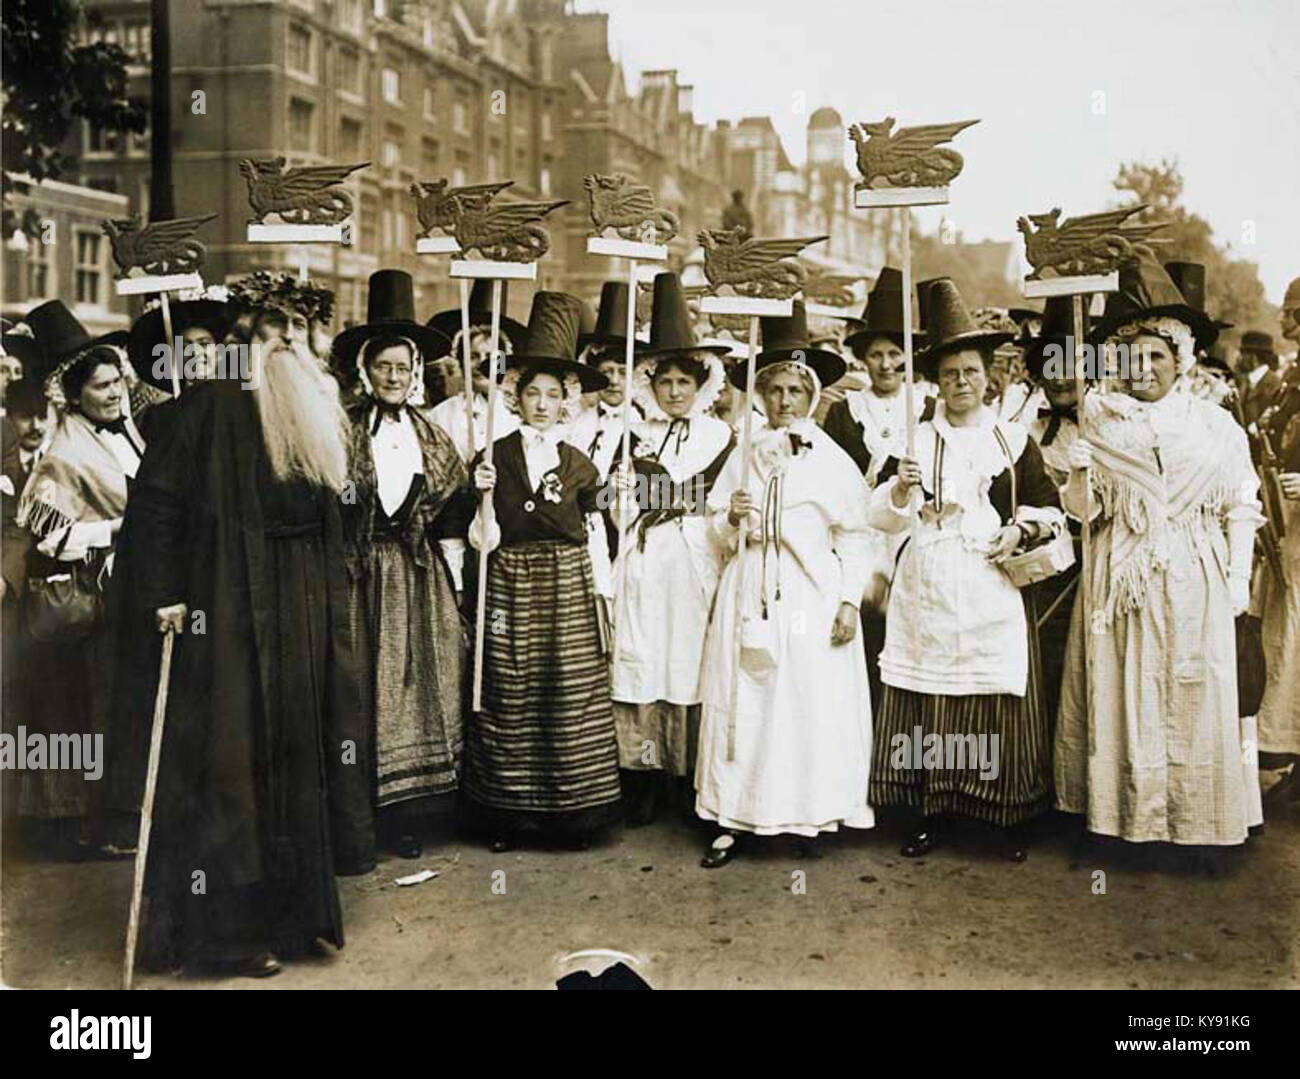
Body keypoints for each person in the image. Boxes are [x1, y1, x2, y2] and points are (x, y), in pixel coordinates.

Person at [127, 331, 363, 978]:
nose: (288, 344)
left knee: (296, 759)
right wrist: (166, 593)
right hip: (228, 609)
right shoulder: (205, 410)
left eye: (295, 333)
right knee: (231, 765)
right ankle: (225, 935)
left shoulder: (310, 404)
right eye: (273, 331)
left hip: (299, 608)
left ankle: (294, 920)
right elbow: (155, 506)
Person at [1055, 255, 1263, 859]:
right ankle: (1129, 822)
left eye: (1156, 357)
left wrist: (1237, 581)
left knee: (1195, 694)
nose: (1143, 369)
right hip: (1121, 576)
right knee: (1127, 692)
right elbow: (1085, 513)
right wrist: (1078, 475)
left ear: (1181, 361)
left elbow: (1241, 505)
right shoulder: (1100, 422)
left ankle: (1196, 825)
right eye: (1132, 357)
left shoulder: (1215, 427)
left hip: (1194, 573)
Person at [868, 280, 1065, 863]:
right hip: (929, 581)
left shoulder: (1012, 440)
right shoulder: (916, 441)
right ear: (936, 380)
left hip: (990, 581)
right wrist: (900, 489)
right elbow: (880, 517)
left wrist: (1020, 530)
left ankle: (1000, 815)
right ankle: (932, 811)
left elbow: (1049, 507)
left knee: (990, 692)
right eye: (950, 373)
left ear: (988, 376)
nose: (960, 383)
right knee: (932, 696)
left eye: (971, 372)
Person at [694, 302, 875, 867]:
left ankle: (803, 813)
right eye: (774, 390)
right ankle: (734, 816)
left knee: (800, 701)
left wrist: (848, 602)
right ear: (761, 395)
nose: (784, 401)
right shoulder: (742, 453)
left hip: (807, 594)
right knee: (744, 699)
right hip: (748, 586)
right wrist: (730, 518)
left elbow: (856, 536)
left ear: (813, 396)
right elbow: (714, 531)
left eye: (796, 390)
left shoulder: (833, 461)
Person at [463, 291, 621, 852]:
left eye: (553, 394)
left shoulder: (581, 464)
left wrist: (603, 592)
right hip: (509, 579)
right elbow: (482, 539)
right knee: (509, 688)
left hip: (567, 583)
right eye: (533, 392)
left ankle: (570, 817)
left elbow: (598, 530)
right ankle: (509, 817)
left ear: (568, 400)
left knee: (567, 691)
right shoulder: (493, 455)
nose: (542, 404)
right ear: (516, 395)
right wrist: (480, 495)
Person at [332, 270, 468, 863]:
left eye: (403, 368)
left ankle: (409, 815)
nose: (394, 377)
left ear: (416, 374)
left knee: (418, 686)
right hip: (358, 572)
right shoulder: (340, 429)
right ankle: (357, 813)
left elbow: (454, 504)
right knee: (362, 687)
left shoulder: (431, 436)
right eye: (383, 366)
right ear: (366, 370)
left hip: (416, 574)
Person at [605, 272, 735, 826]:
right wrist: (626, 496)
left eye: (684, 381)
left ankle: (686, 777)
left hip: (696, 560)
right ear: (651, 384)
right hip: (645, 559)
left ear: (701, 385)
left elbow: (723, 505)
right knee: (643, 660)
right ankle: (643, 776)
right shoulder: (635, 435)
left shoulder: (721, 438)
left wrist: (697, 511)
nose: (675, 391)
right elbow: (617, 510)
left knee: (688, 662)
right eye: (666, 382)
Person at [15, 315, 143, 857]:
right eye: (100, 387)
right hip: (92, 598)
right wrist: (114, 530)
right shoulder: (64, 455)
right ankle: (92, 825)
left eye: (117, 383)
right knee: (93, 707)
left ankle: (122, 814)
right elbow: (47, 537)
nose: (113, 394)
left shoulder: (128, 435)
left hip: (132, 587)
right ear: (74, 395)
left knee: (122, 704)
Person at [821, 268, 932, 705]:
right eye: (877, 355)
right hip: (859, 533)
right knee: (862, 633)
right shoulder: (844, 411)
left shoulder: (927, 408)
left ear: (908, 357)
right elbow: (832, 480)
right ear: (863, 360)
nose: (886, 365)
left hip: (909, 535)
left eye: (895, 354)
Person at [1019, 295, 1086, 729]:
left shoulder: (1109, 425)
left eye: (1070, 365)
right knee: (1042, 660)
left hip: (1095, 568)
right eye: (1050, 366)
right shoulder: (1023, 427)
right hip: (1044, 570)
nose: (1060, 377)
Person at [424, 279, 527, 464]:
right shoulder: (442, 415)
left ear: (503, 363)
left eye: (491, 356)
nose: (482, 364)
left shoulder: (520, 414)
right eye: (473, 356)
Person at [565, 281, 643, 483]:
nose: (614, 381)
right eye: (607, 372)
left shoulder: (642, 424)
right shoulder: (578, 422)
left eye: (623, 373)